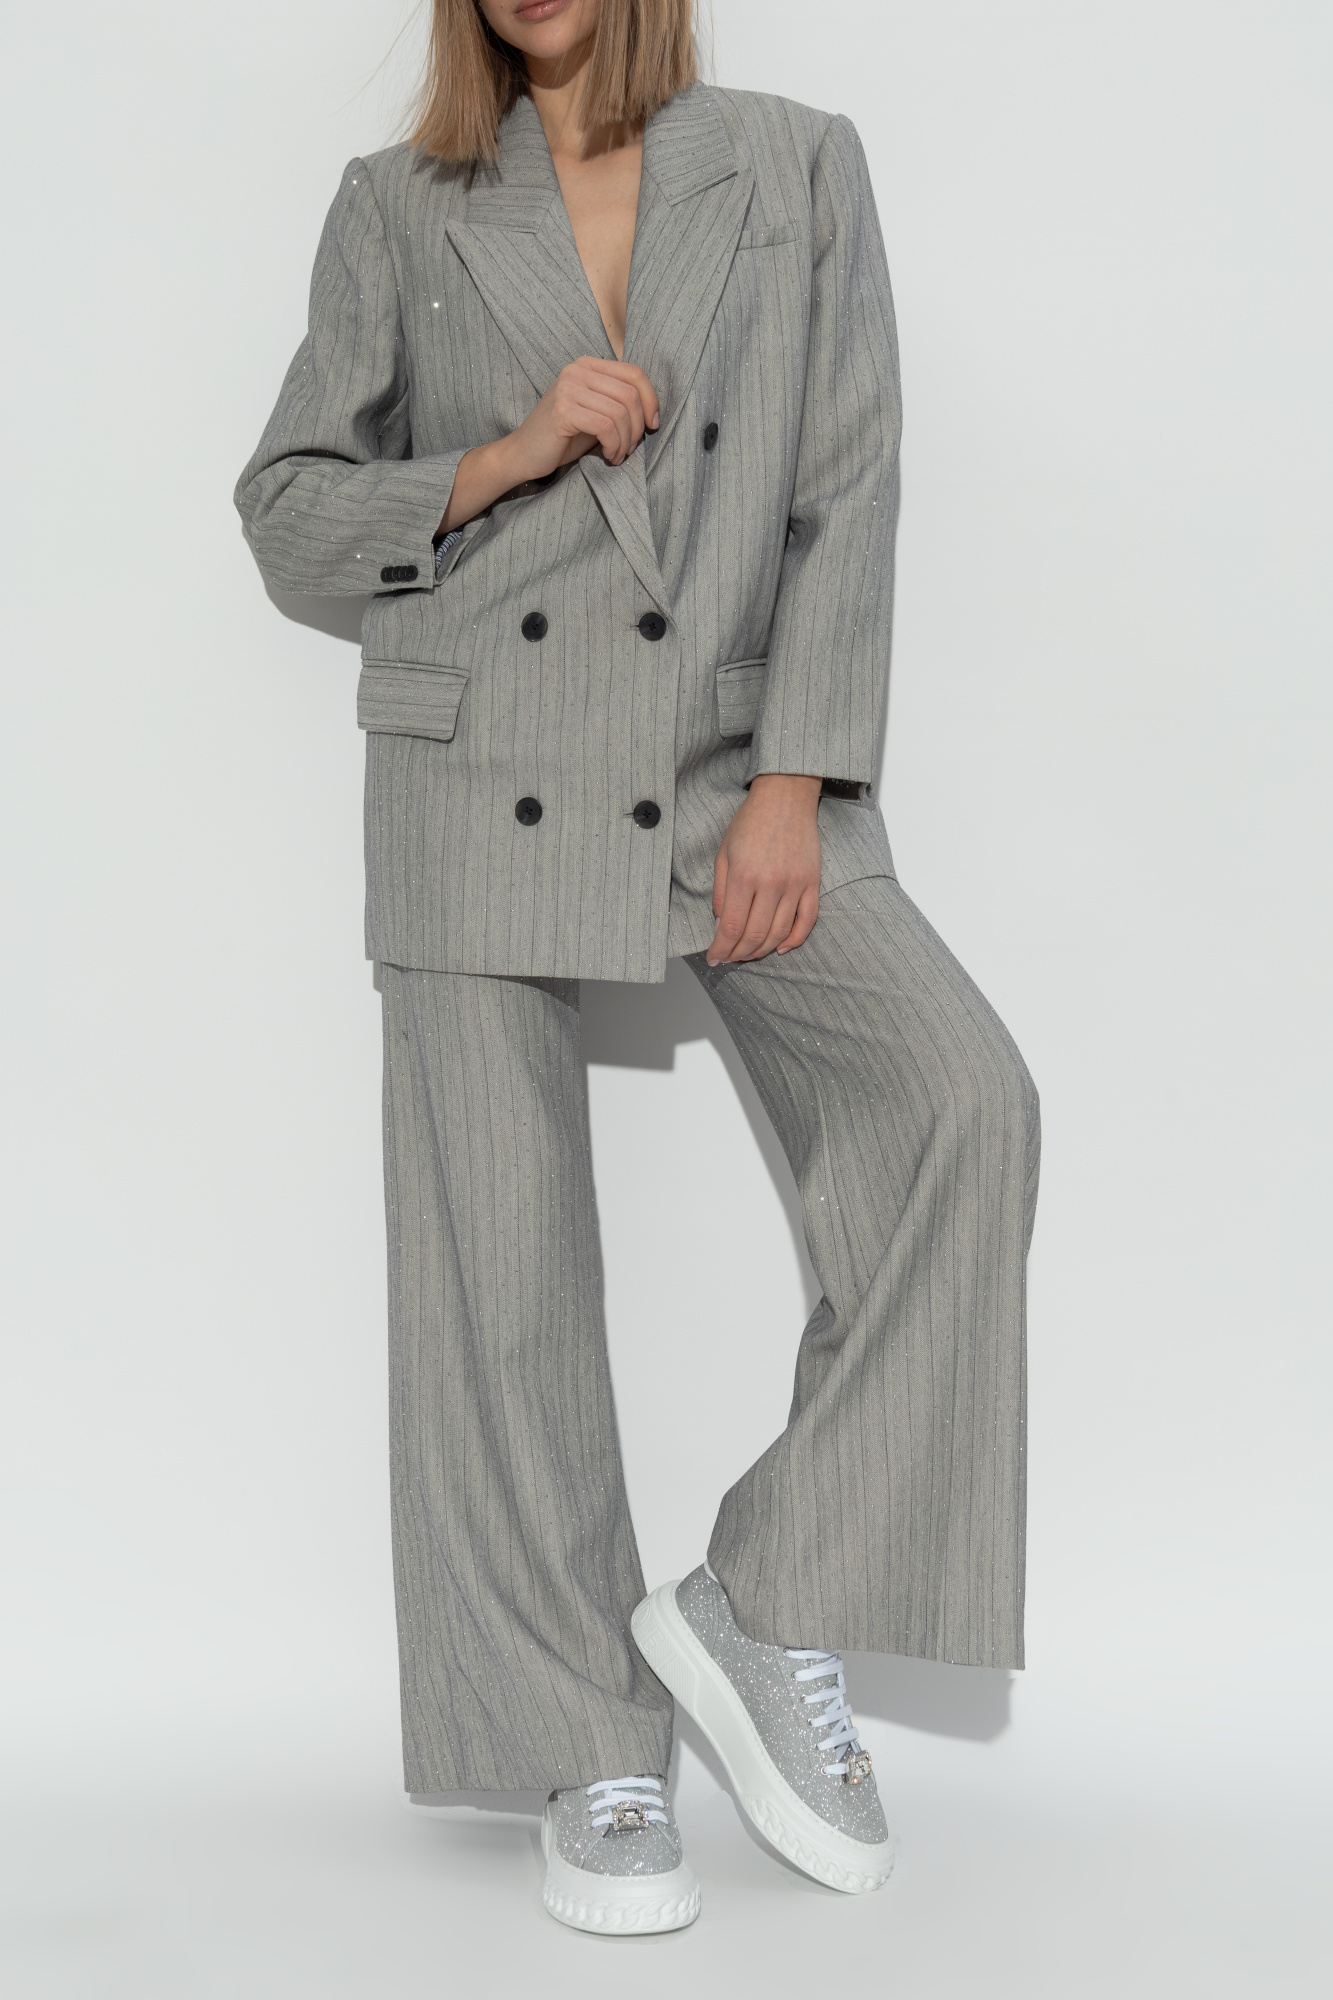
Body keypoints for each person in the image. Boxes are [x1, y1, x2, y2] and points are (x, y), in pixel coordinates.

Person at [235, 0, 1040, 1937]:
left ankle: (766, 1595)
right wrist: (503, 454)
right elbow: (287, 514)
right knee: (497, 1275)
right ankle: (582, 1738)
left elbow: (847, 484)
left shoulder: (792, 164)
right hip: (476, 764)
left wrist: (794, 785)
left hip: (725, 759)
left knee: (958, 1105)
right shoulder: (399, 204)